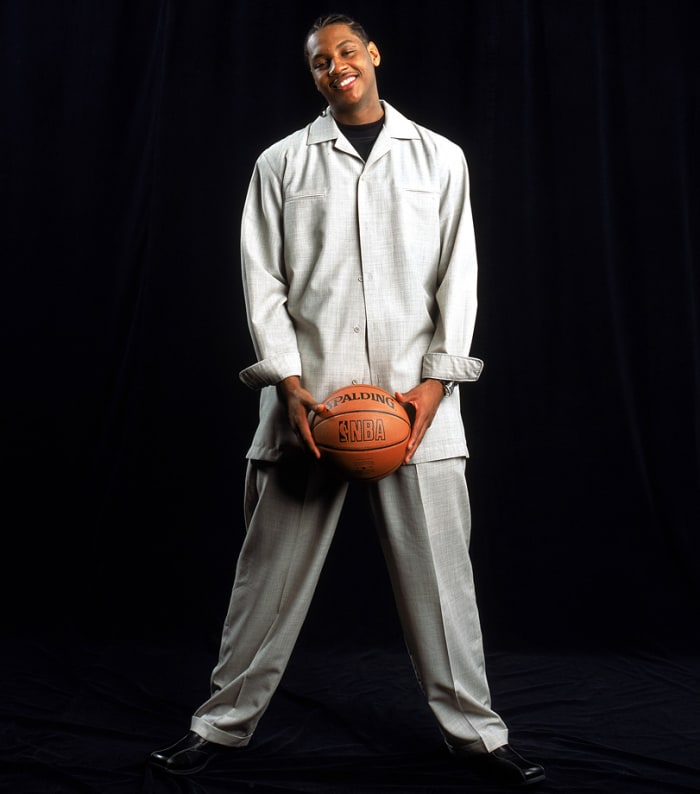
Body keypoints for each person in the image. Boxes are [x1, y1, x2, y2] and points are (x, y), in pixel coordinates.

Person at [149, 13, 545, 787]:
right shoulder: (281, 164)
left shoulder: (439, 158)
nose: (338, 67)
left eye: (348, 52)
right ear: (315, 75)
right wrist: (290, 385)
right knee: (263, 582)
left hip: (416, 404)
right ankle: (220, 727)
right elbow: (262, 283)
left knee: (443, 584)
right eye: (322, 61)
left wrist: (435, 384)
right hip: (311, 406)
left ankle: (479, 736)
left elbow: (457, 277)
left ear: (373, 55)